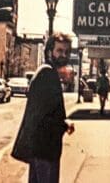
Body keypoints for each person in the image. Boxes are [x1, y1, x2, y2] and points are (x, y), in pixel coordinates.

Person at [11, 32, 75, 183]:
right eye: (59, 50)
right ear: (49, 51)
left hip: (40, 149)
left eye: (66, 52)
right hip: (45, 149)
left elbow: (46, 112)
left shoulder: (47, 72)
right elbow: (42, 118)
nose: (63, 55)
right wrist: (64, 124)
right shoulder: (47, 74)